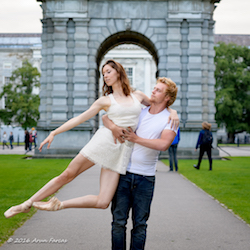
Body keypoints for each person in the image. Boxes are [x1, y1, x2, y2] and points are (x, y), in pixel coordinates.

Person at [4, 60, 178, 219]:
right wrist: (54, 133)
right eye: (103, 73)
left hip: (120, 151)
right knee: (68, 174)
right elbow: (79, 119)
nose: (105, 76)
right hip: (103, 142)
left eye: (108, 71)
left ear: (118, 72)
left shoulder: (137, 95)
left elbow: (158, 104)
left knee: (103, 202)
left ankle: (58, 205)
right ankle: (26, 204)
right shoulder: (105, 100)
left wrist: (173, 112)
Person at [102, 77, 178, 250]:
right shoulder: (139, 111)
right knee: (118, 222)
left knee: (140, 225)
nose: (153, 91)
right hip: (123, 174)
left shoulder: (170, 119)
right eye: (154, 88)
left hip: (145, 179)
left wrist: (136, 139)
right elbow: (106, 117)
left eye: (158, 90)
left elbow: (164, 145)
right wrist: (114, 128)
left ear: (167, 97)